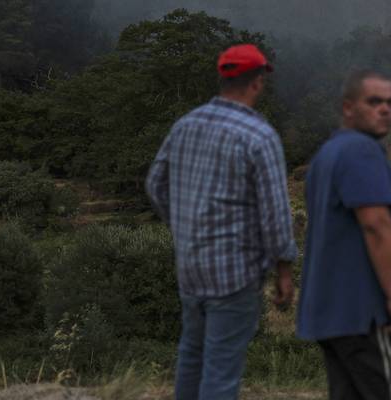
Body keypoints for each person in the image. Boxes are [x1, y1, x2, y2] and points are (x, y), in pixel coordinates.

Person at [145, 43, 298, 400]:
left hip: (190, 266)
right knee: (222, 368)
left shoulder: (186, 124)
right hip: (234, 273)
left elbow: (154, 184)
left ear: (223, 77)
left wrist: (184, 227)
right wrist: (285, 272)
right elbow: (275, 215)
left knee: (191, 354)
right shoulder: (259, 136)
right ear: (257, 82)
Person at [297, 70, 391, 400]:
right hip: (369, 312)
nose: (385, 109)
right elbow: (375, 224)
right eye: (374, 102)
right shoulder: (360, 151)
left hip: (335, 315)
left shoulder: (326, 155)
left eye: (389, 103)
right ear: (348, 107)